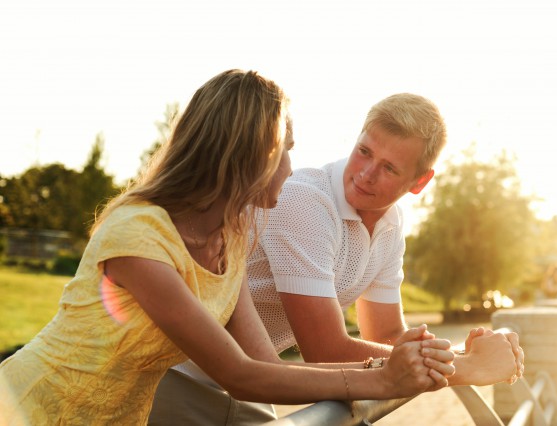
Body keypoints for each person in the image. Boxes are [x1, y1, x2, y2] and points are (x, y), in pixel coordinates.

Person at [0, 70, 456, 426]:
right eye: (286, 151)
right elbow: (237, 373)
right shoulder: (138, 237)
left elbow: (259, 363)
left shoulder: (230, 239)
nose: (293, 169)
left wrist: (401, 369)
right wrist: (385, 377)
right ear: (249, 155)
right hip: (30, 408)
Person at [150, 92, 525, 424]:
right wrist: (468, 366)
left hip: (249, 380)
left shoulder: (391, 224)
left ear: (419, 182)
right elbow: (324, 350)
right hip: (177, 376)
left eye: (389, 168)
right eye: (364, 151)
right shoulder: (304, 201)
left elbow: (387, 335)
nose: (365, 174)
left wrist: (458, 352)